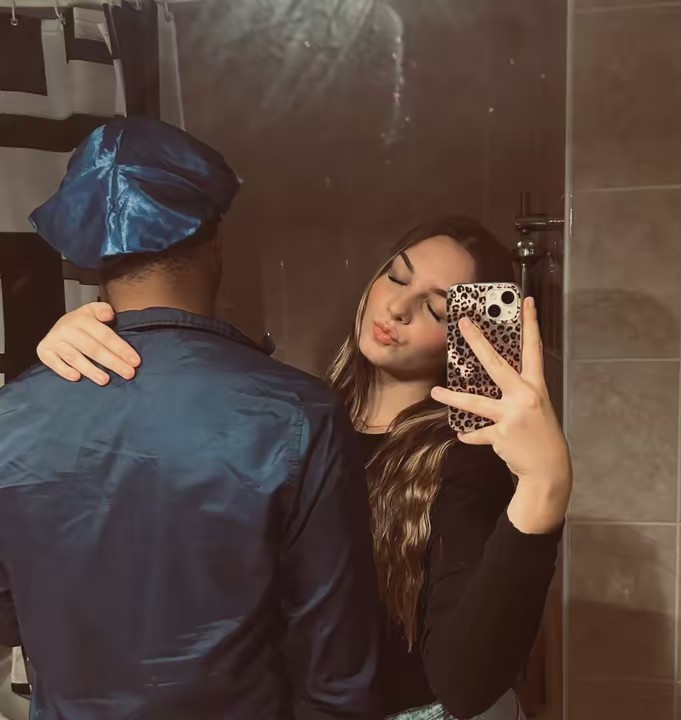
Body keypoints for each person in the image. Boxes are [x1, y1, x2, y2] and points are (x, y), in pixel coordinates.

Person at [38, 217, 573, 720]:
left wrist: (543, 490)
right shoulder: (300, 418)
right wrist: (95, 346)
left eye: (435, 309)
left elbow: (464, 686)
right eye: (396, 277)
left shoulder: (462, 463)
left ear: (467, 338)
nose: (398, 308)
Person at [0, 117, 381, 720]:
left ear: (94, 256)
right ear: (215, 239)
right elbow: (336, 674)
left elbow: (9, 611)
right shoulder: (299, 414)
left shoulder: (12, 415)